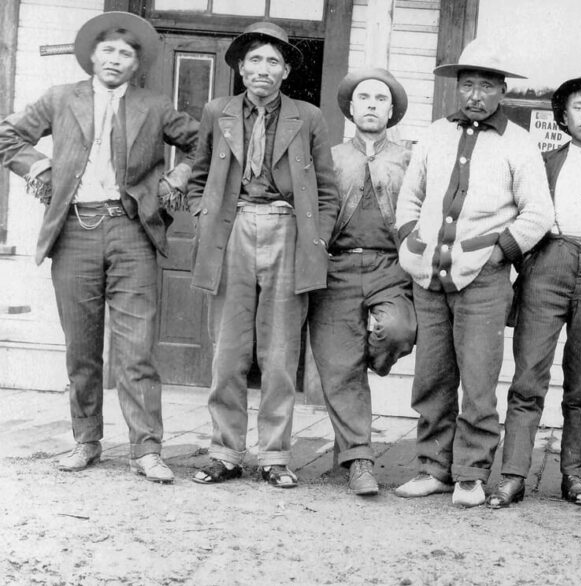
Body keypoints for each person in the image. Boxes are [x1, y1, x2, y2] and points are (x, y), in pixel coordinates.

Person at [0, 12, 198, 483]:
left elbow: (203, 143)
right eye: (107, 50)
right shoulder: (59, 98)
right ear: (92, 55)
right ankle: (86, 440)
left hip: (132, 231)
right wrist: (38, 167)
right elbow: (8, 137)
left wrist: (179, 173)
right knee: (82, 348)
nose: (114, 59)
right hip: (74, 232)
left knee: (137, 350)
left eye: (125, 53)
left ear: (136, 63)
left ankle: (146, 450)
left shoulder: (154, 106)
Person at [393, 39, 554, 508]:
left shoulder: (519, 143)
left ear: (502, 91)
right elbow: (410, 196)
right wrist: (410, 241)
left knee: (479, 380)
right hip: (428, 276)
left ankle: (469, 474)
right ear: (456, 89)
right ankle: (432, 468)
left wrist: (498, 252)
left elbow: (538, 213)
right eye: (467, 85)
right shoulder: (434, 134)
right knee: (431, 376)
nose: (475, 95)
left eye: (486, 85)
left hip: (482, 279)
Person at [188, 22, 340, 489]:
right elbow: (198, 179)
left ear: (287, 70)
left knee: (279, 353)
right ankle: (225, 452)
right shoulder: (218, 112)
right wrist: (205, 216)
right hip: (232, 229)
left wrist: (315, 237)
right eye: (254, 59)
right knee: (229, 351)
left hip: (288, 229)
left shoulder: (309, 117)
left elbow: (329, 192)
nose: (263, 69)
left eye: (273, 61)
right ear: (239, 65)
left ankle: (275, 455)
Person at [488, 76, 581, 509]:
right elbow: (516, 212)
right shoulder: (542, 162)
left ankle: (574, 475)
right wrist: (530, 264)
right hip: (547, 266)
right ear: (563, 117)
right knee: (528, 376)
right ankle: (513, 475)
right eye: (578, 107)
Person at [307, 68, 416, 496]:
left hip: (391, 267)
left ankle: (370, 362)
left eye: (380, 99)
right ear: (351, 109)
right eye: (363, 98)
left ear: (392, 111)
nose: (371, 104)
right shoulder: (329, 157)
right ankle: (359, 462)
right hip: (336, 269)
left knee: (397, 330)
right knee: (339, 368)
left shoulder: (409, 157)